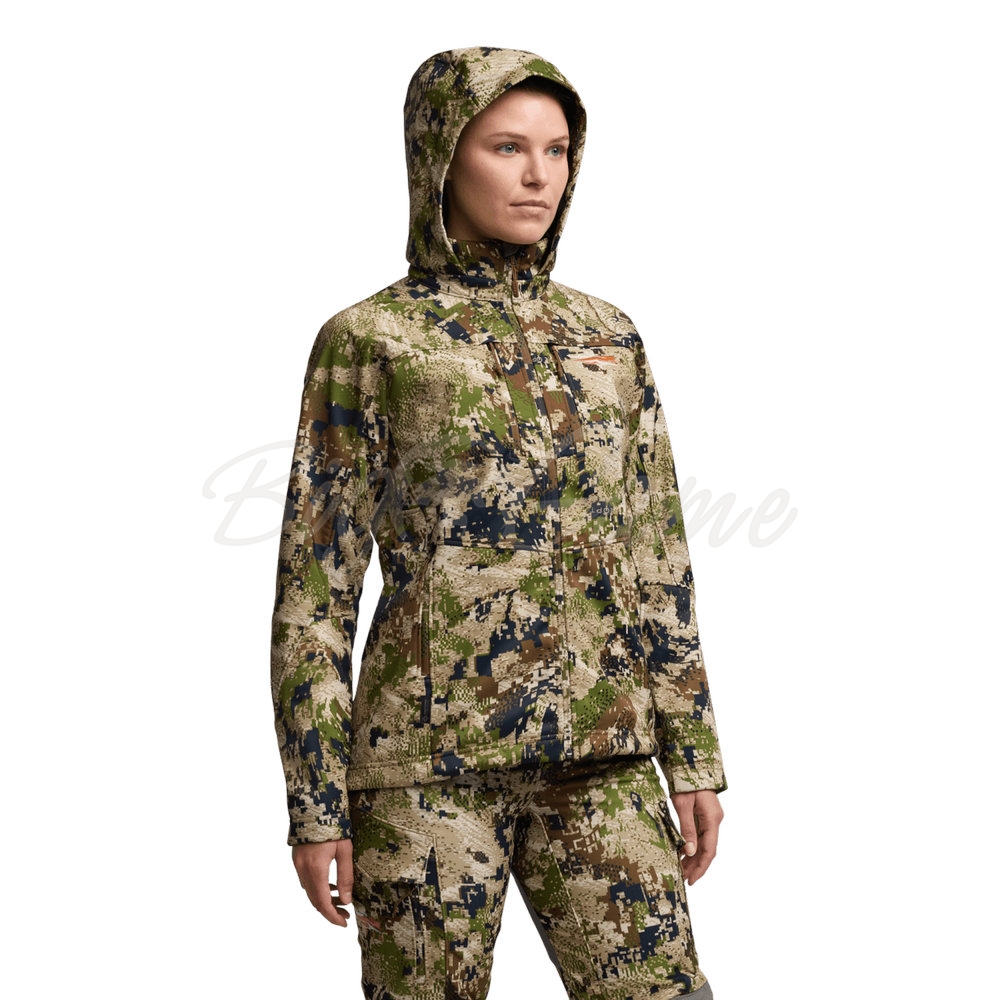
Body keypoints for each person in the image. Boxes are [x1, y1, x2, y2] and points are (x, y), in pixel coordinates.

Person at [271, 46, 727, 1000]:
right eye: (507, 147)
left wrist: (692, 754)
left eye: (557, 151)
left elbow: (658, 557)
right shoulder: (372, 341)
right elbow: (315, 594)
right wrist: (317, 804)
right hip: (424, 773)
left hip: (602, 758)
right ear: (441, 157)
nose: (537, 177)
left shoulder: (608, 336)